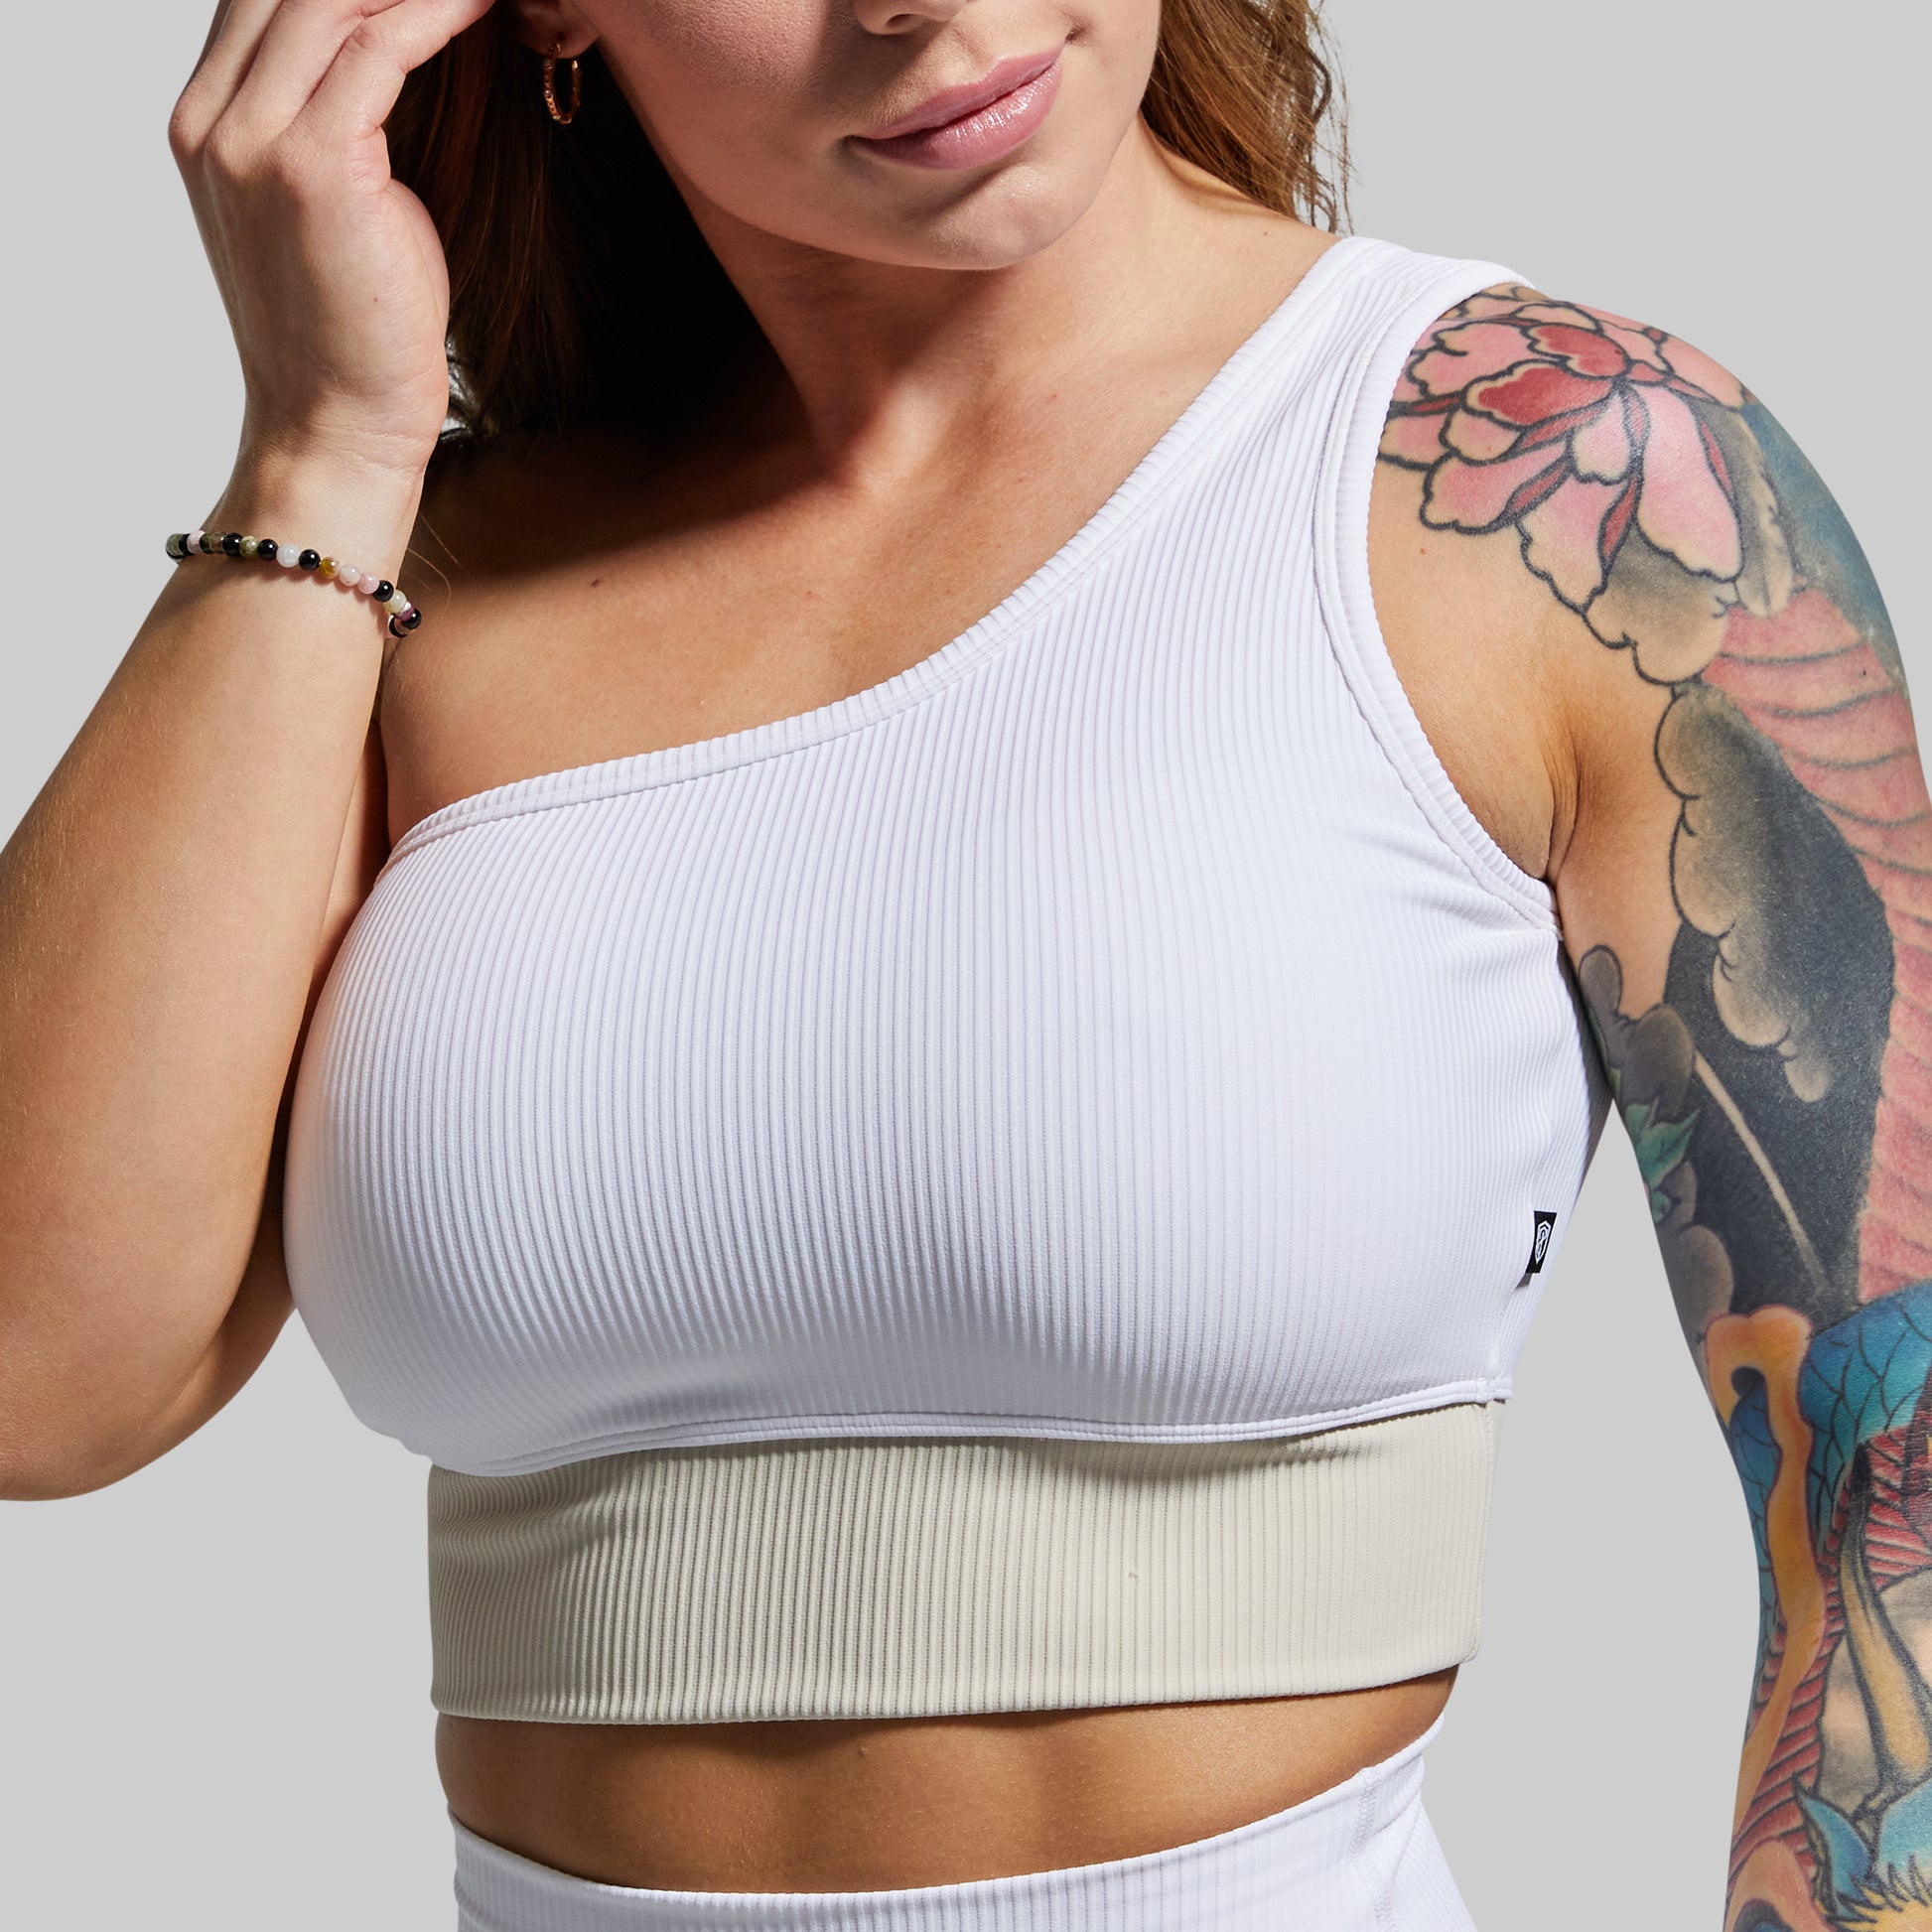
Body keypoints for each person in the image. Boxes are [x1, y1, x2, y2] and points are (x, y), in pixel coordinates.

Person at [0, 0, 1919, 1926]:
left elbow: (1891, 1505)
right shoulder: (409, 583)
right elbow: (34, 1374)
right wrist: (321, 448)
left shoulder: (1554, 483)